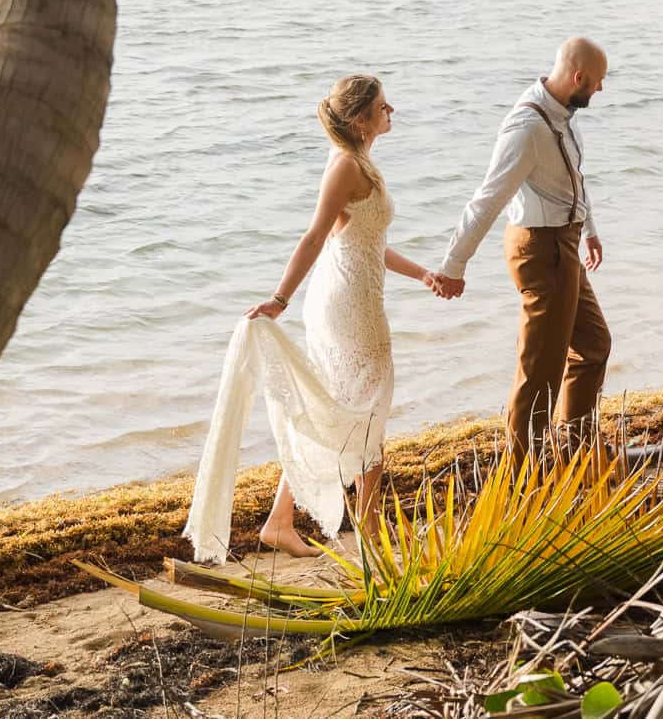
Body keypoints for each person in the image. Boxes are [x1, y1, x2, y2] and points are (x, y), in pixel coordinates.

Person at [183, 74, 444, 561]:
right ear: (360, 118)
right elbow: (314, 237)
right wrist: (279, 300)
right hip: (344, 305)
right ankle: (368, 532)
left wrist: (423, 274)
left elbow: (370, 244)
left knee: (349, 409)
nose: (393, 112)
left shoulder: (363, 161)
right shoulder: (345, 165)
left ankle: (280, 522)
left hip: (359, 296)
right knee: (366, 411)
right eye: (384, 107)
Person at [431, 38, 610, 462]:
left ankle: (578, 454)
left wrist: (589, 230)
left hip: (564, 241)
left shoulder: (564, 115)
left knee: (594, 344)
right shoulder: (527, 127)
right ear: (578, 76)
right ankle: (521, 480)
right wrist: (454, 265)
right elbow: (488, 198)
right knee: (540, 374)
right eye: (598, 82)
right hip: (541, 249)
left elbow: (574, 179)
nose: (601, 91)